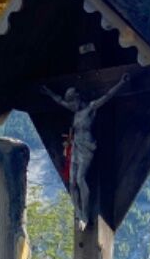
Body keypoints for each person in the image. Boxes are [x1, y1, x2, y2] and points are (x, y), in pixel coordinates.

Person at [41, 74, 129, 230]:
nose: (71, 105)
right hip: (76, 144)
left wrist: (121, 82)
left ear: (78, 99)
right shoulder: (74, 110)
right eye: (70, 103)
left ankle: (85, 215)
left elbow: (107, 96)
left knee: (81, 179)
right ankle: (79, 211)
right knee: (72, 182)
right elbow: (59, 101)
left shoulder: (90, 108)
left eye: (72, 101)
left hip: (86, 145)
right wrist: (48, 92)